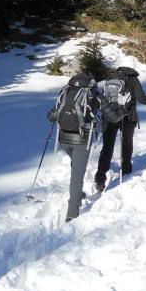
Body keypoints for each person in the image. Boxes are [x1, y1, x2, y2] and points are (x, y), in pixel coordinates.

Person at [94, 66, 146, 191]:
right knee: (126, 144)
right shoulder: (133, 80)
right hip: (127, 116)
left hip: (109, 116)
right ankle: (126, 170)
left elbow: (103, 98)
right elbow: (142, 99)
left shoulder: (110, 78)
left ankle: (100, 176)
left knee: (107, 147)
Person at [48, 72, 100, 222]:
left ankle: (77, 195)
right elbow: (108, 113)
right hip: (82, 140)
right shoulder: (92, 93)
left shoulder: (65, 92)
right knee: (77, 176)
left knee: (76, 168)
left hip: (63, 139)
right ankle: (72, 212)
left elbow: (51, 116)